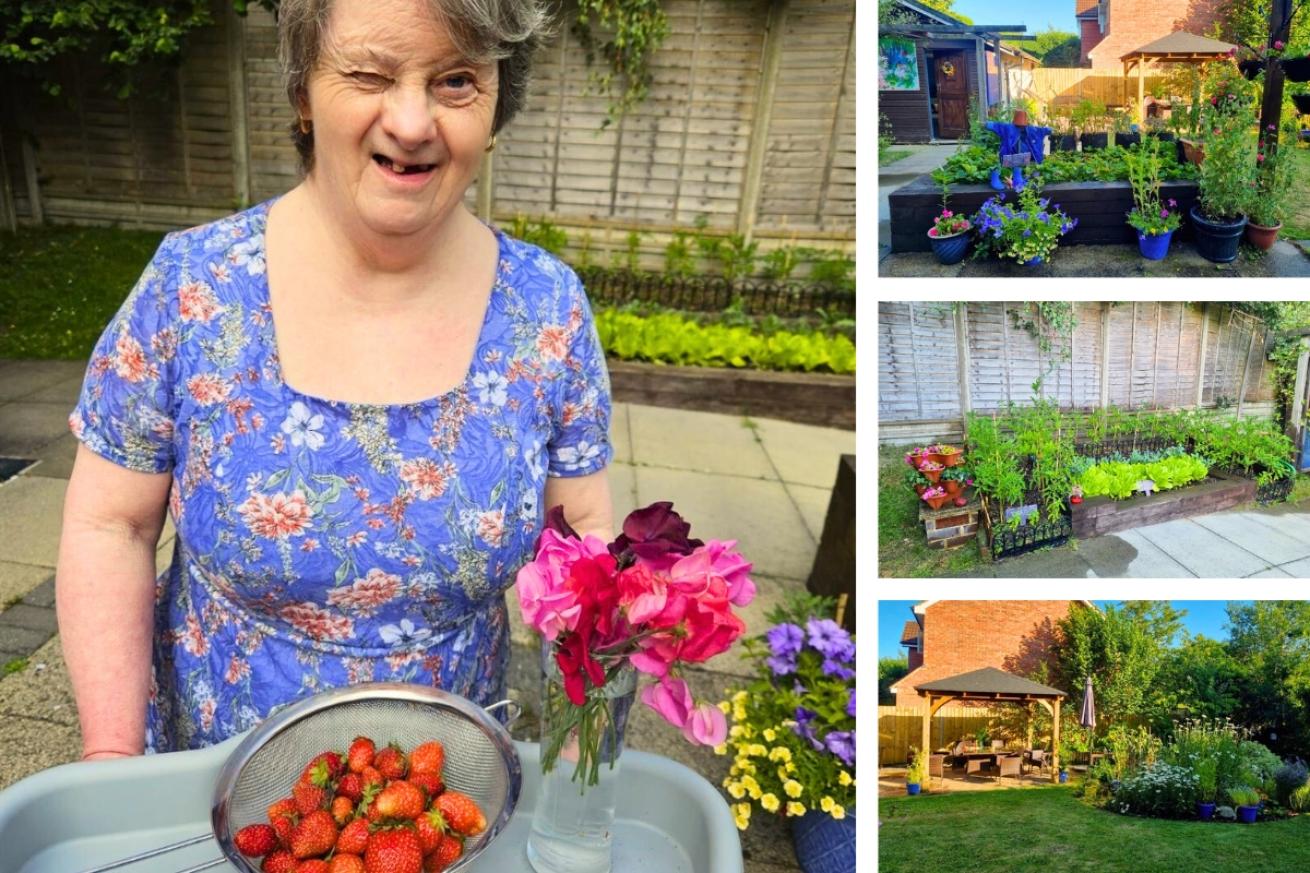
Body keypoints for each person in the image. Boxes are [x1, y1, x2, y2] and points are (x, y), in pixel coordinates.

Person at [56, 0, 613, 759]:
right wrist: (113, 759)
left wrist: (585, 762)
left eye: (455, 81)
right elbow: (110, 526)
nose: (412, 123)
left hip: (445, 799)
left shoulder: (548, 311)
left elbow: (585, 543)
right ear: (301, 92)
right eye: (368, 74)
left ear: (496, 97)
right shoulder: (193, 289)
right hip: (213, 789)